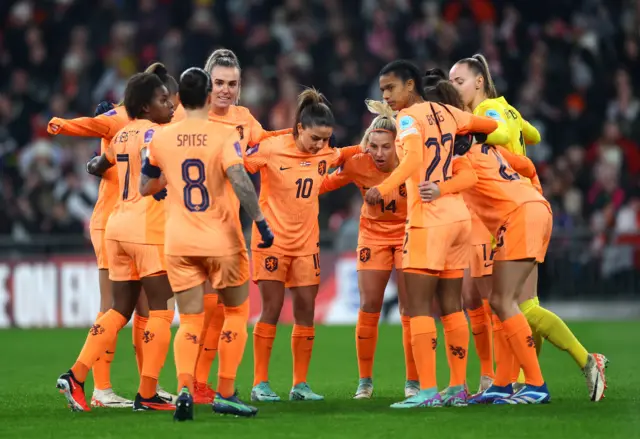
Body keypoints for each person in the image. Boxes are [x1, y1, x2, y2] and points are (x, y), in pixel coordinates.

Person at [450, 54, 607, 401]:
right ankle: (513, 380)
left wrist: (489, 134)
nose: (454, 87)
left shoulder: (484, 113)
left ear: (479, 81)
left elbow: (500, 130)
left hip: (499, 212)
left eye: (459, 81)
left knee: (501, 305)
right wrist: (514, 130)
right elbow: (530, 135)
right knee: (523, 306)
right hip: (523, 199)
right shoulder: (509, 108)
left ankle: (535, 376)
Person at [139, 67, 274, 420]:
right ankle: (226, 392)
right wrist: (260, 220)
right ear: (210, 95)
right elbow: (240, 178)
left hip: (179, 241)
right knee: (236, 313)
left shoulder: (162, 137)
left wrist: (169, 184)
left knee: (190, 320)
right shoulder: (223, 135)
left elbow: (145, 186)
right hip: (221, 239)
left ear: (180, 97)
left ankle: (184, 388)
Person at [364, 59, 499, 409]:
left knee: (419, 307)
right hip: (458, 218)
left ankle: (427, 391)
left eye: (390, 88)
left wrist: (386, 187)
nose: (386, 96)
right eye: (382, 90)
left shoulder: (409, 119)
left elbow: (409, 162)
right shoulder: (448, 111)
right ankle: (458, 387)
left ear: (410, 86)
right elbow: (487, 124)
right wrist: (476, 137)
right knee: (452, 307)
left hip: (428, 219)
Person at [47, 62, 182, 407]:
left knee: (118, 310)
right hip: (146, 228)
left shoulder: (121, 133)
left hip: (116, 227)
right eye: (163, 100)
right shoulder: (160, 135)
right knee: (162, 311)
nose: (170, 106)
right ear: (144, 108)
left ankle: (75, 376)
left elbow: (99, 164)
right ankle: (148, 393)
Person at [187, 49, 293, 404]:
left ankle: (200, 386)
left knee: (217, 313)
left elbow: (268, 141)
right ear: (206, 82)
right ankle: (192, 384)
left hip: (227, 228)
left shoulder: (244, 119)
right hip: (191, 226)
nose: (225, 90)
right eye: (218, 82)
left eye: (232, 84)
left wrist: (301, 134)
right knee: (201, 312)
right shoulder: (185, 116)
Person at [246, 88, 361, 402]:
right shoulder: (270, 149)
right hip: (271, 242)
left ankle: (300, 384)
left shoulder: (324, 154)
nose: (321, 145)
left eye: (326, 139)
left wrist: (364, 152)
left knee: (306, 312)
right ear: (299, 129)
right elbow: (239, 165)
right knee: (270, 309)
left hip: (306, 246)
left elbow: (344, 156)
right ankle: (260, 383)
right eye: (315, 138)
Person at [319, 100, 418, 399]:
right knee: (369, 306)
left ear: (398, 145)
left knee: (410, 310)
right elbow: (323, 184)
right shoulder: (359, 163)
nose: (378, 153)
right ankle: (365, 381)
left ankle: (413, 381)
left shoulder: (412, 161)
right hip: (373, 236)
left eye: (385, 147)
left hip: (408, 233)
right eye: (373, 145)